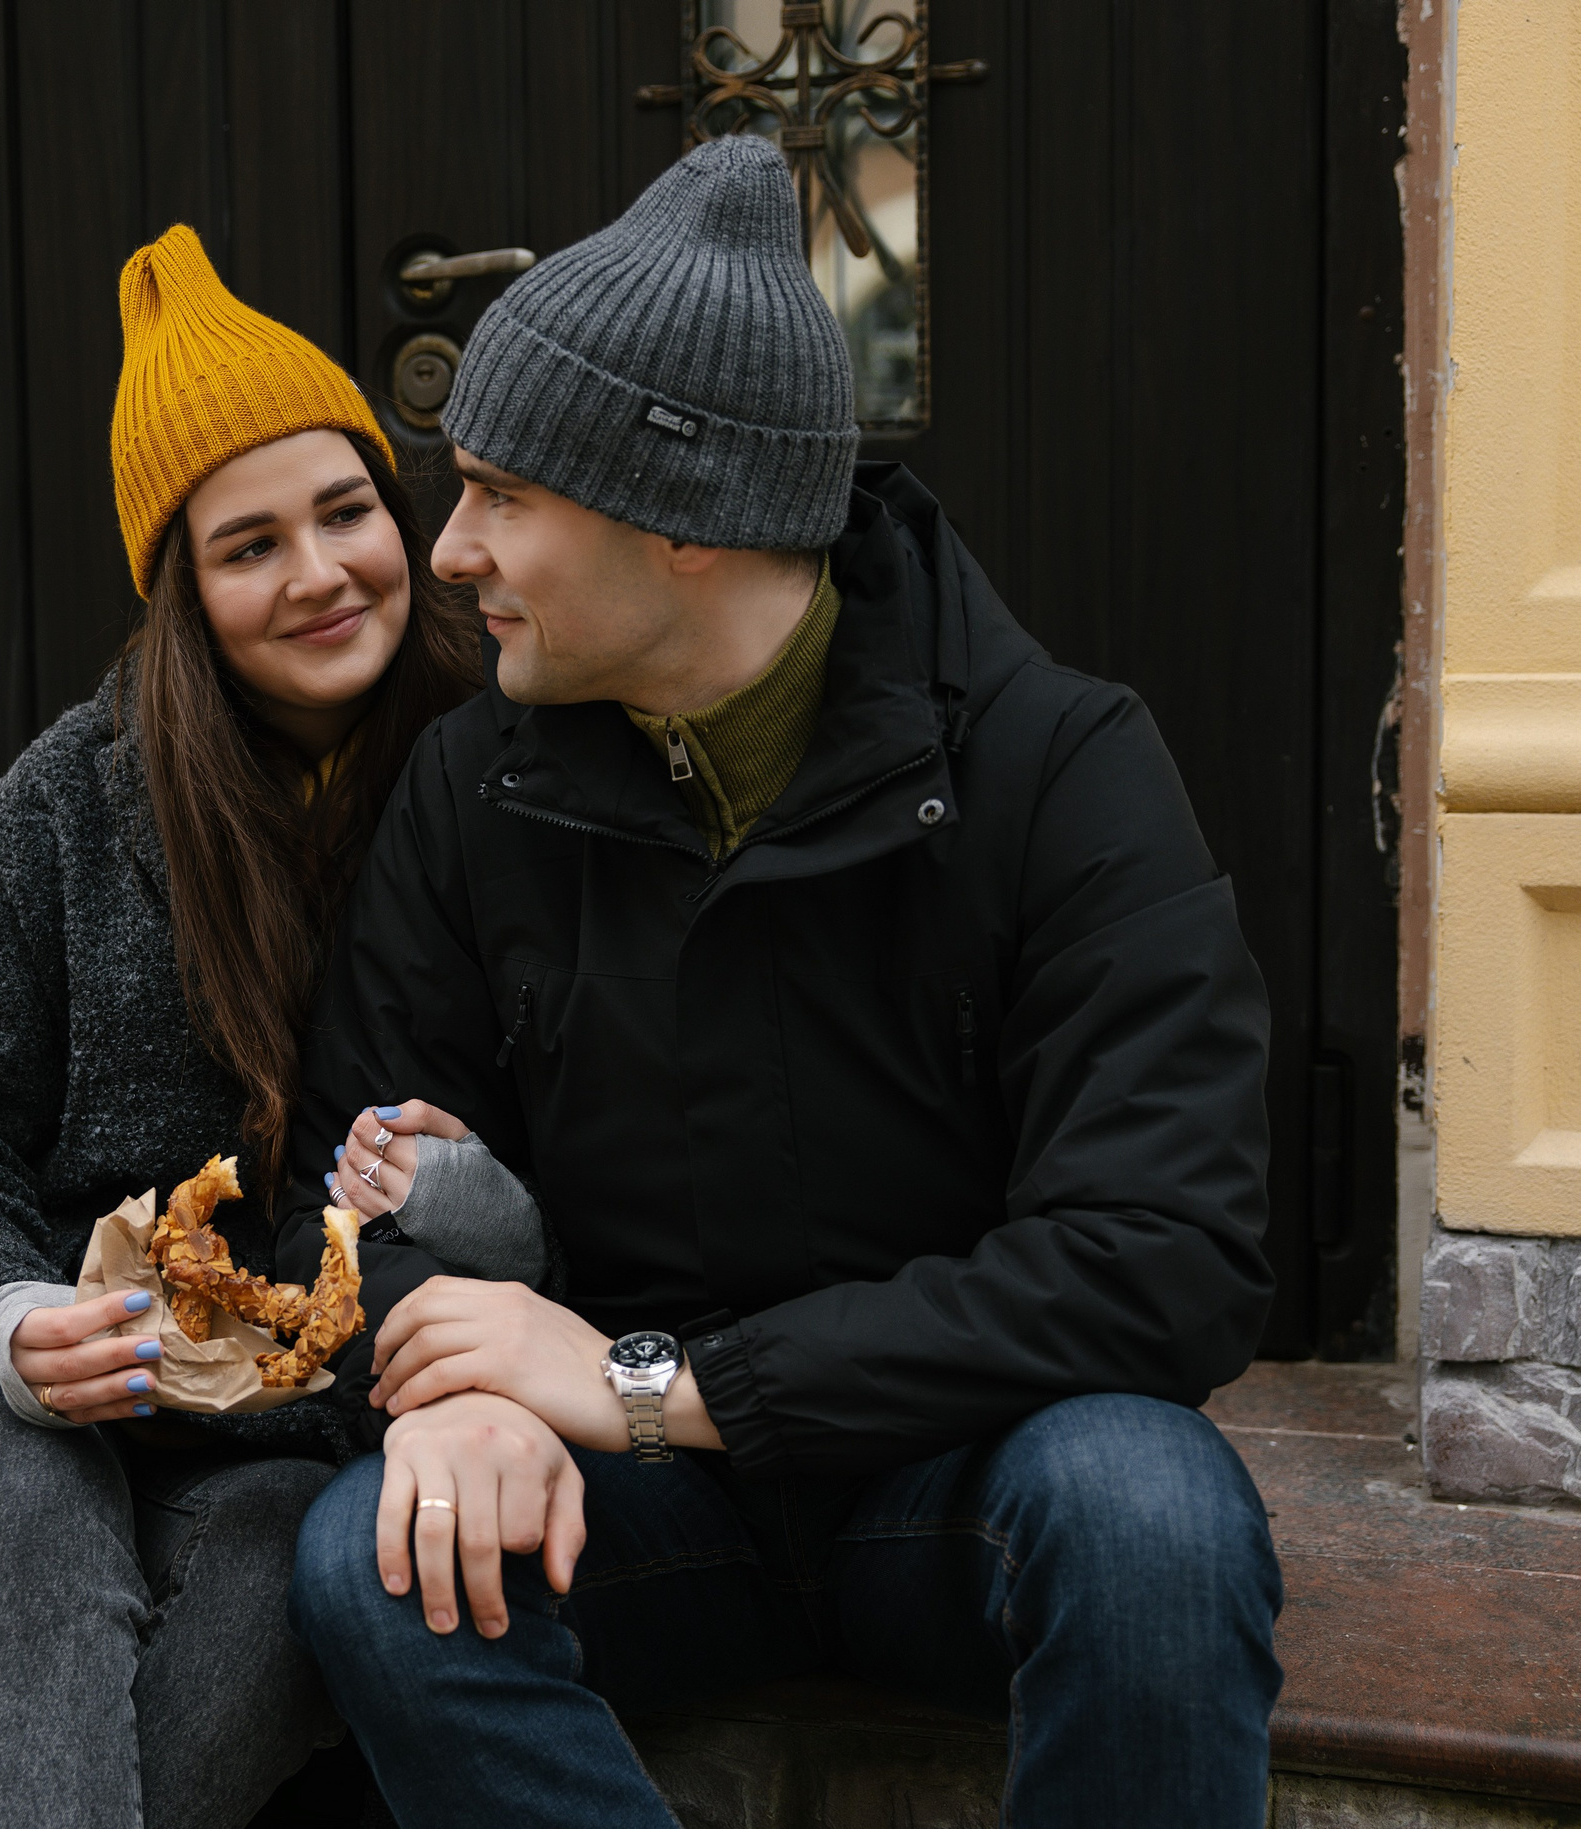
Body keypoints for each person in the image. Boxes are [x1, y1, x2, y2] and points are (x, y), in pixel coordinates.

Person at [274, 136, 1284, 1827]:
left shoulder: (1058, 766)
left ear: (684, 522)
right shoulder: (472, 792)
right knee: (377, 1559)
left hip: (965, 1474)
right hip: (643, 1513)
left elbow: (1163, 1261)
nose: (447, 553)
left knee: (1156, 1511)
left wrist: (646, 1386)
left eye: (505, 495)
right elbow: (349, 1180)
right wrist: (445, 1387)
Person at [0, 226, 479, 1829]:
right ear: (186, 588)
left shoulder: (484, 773)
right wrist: (6, 1313)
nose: (322, 571)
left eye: (347, 511)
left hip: (296, 1420)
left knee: (288, 1573)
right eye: (250, 544)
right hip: (32, 1390)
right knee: (11, 1494)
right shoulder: (74, 795)